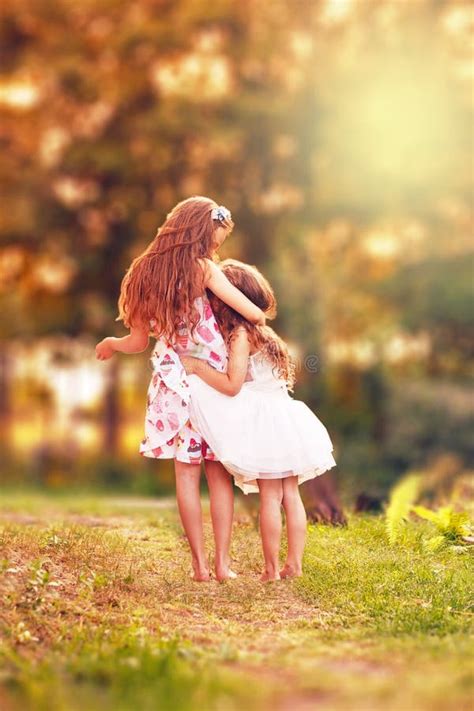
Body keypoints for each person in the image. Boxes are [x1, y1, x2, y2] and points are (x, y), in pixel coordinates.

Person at [95, 198, 265, 582]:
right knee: (218, 470)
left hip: (173, 382)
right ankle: (222, 565)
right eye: (216, 240)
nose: (216, 249)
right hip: (212, 379)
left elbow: (138, 341)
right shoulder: (203, 269)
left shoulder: (140, 273)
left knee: (186, 475)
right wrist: (252, 315)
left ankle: (200, 567)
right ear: (203, 231)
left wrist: (112, 342)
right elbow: (252, 312)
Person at [181, 260, 337, 581]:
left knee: (271, 496)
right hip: (287, 418)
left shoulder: (240, 335)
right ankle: (294, 564)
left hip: (265, 424)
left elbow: (232, 384)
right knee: (290, 495)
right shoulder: (267, 334)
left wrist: (197, 368)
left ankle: (271, 570)